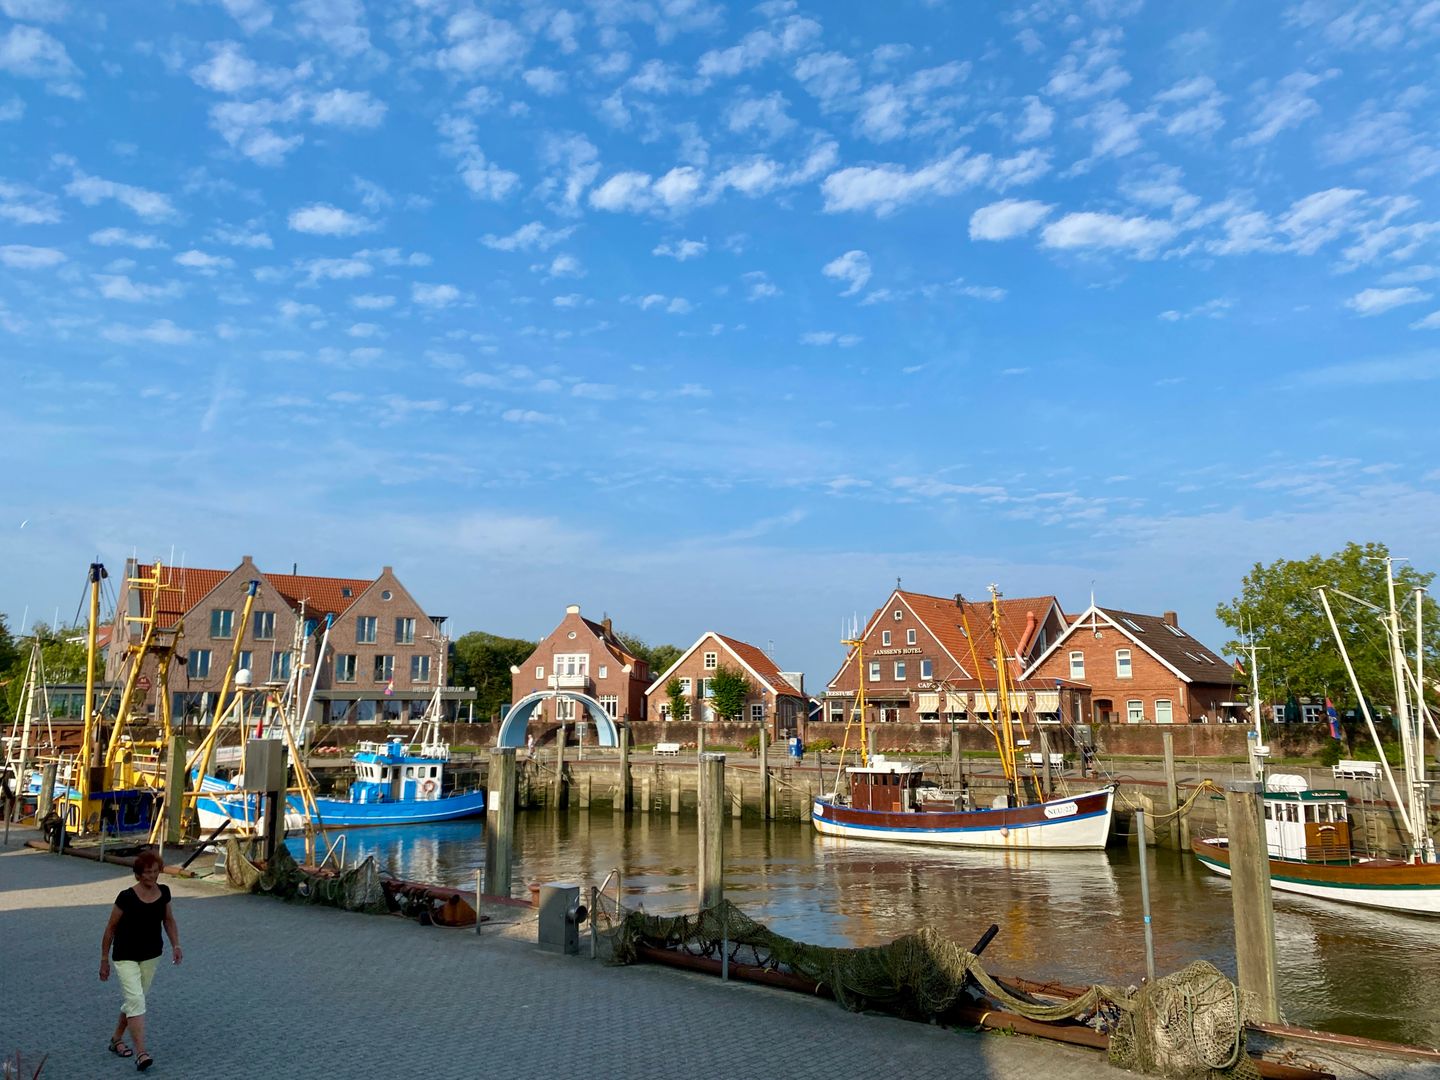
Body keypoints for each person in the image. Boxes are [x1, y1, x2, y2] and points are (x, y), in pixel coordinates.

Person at [100, 850, 182, 1071]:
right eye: (147, 873)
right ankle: (141, 1053)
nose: (152, 876)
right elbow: (110, 929)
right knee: (136, 999)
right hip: (125, 955)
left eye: (155, 872)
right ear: (138, 874)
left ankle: (116, 1039)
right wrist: (104, 959)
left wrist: (176, 944)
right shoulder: (125, 897)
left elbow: (169, 920)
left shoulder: (164, 892)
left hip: (151, 955)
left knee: (134, 1000)